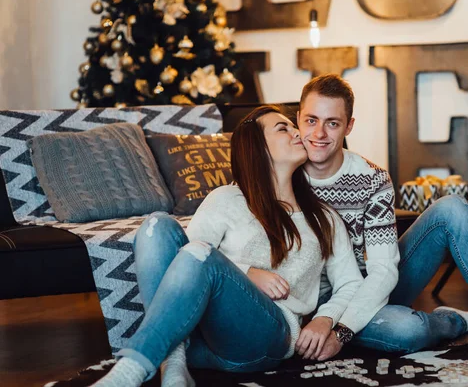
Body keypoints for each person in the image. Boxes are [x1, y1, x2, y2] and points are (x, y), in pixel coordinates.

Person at [296, 74, 468, 360]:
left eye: (332, 123)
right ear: (297, 119)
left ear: (349, 126)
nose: (319, 134)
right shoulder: (281, 172)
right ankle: (456, 321)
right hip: (311, 302)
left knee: (453, 208)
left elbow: (382, 271)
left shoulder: (372, 179)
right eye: (311, 120)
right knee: (407, 329)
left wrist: (342, 331)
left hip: (373, 292)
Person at [92, 105, 364, 387]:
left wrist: (325, 319)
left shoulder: (324, 217)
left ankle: (130, 372)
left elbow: (351, 283)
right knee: (157, 225)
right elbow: (187, 260)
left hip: (265, 337)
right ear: (257, 147)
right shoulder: (226, 199)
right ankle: (173, 364)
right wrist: (248, 272)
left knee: (201, 254)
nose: (298, 133)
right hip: (202, 340)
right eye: (283, 128)